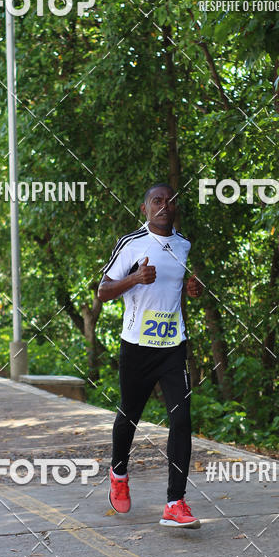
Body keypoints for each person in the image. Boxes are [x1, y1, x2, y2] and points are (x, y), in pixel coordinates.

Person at [98, 184, 204, 528]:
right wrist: (135, 278)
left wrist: (191, 287)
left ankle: (175, 502)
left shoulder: (184, 244)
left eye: (170, 201)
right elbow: (103, 291)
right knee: (130, 414)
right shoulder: (131, 243)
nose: (164, 206)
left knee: (182, 419)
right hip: (137, 347)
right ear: (145, 209)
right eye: (157, 201)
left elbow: (177, 286)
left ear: (176, 209)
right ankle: (118, 473)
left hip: (173, 346)